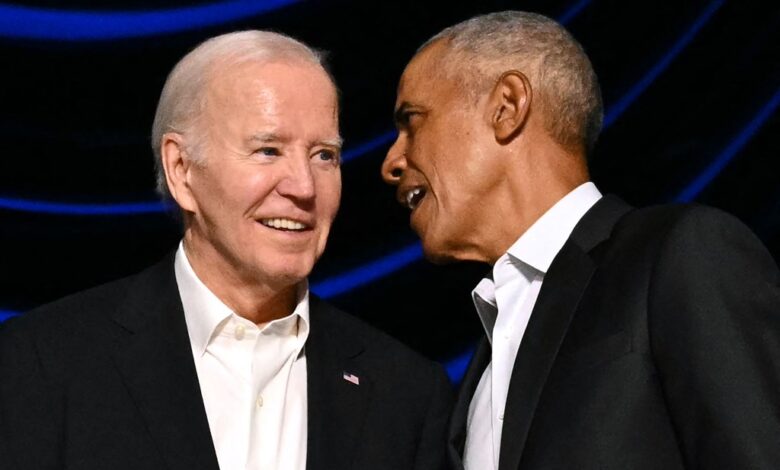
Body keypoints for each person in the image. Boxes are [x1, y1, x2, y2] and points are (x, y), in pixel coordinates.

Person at [0, 30, 452, 470]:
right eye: (268, 150)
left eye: (324, 155)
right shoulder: (41, 364)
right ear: (181, 169)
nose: (303, 187)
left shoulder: (407, 394)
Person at [381, 11, 780, 470]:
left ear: (507, 107)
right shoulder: (479, 371)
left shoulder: (680, 253)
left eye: (413, 120)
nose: (391, 160)